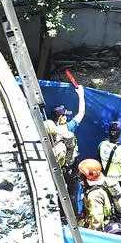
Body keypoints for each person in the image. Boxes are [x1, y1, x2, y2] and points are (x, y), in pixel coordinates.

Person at [43, 83, 86, 212]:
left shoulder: (47, 129)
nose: (67, 117)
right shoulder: (68, 127)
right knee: (72, 193)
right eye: (65, 115)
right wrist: (81, 95)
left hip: (54, 166)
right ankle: (72, 215)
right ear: (61, 117)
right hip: (70, 167)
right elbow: (81, 113)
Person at [98, 120, 121, 197]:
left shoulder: (101, 145)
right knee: (120, 203)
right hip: (120, 184)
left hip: (105, 181)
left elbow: (99, 161)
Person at [78, 158, 113, 231]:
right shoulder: (103, 180)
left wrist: (91, 233)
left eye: (81, 174)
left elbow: (97, 221)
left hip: (95, 227)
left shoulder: (94, 195)